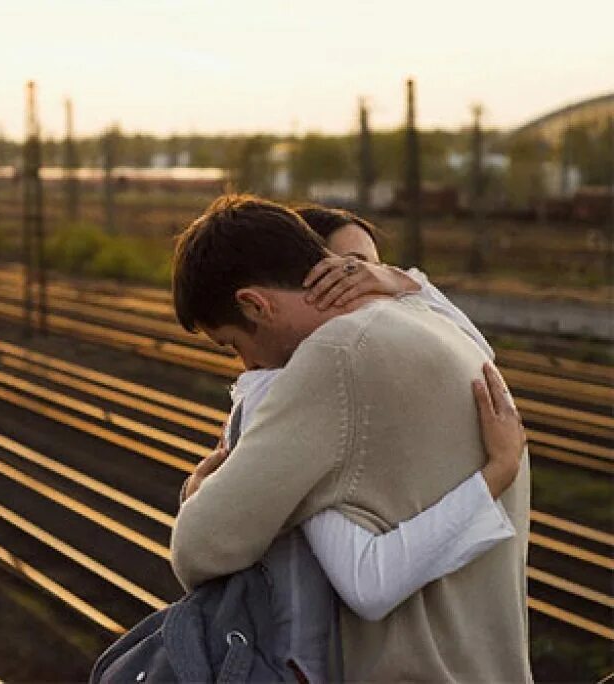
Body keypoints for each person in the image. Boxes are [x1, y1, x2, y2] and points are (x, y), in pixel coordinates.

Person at [170, 195, 531, 682]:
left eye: (234, 344)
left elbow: (199, 548)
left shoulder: (334, 357)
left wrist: (198, 489)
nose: (248, 365)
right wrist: (410, 282)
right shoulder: (437, 323)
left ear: (254, 304)